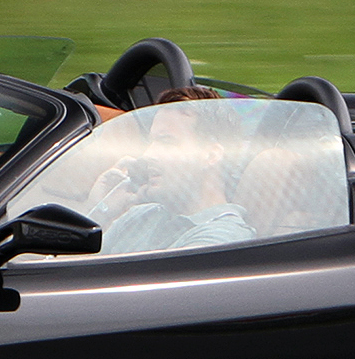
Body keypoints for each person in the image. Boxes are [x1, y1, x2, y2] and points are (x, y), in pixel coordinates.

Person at [80, 88, 253, 254]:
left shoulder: (223, 238)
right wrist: (100, 210)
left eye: (166, 141)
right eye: (151, 142)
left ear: (211, 155)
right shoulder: (141, 215)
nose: (148, 154)